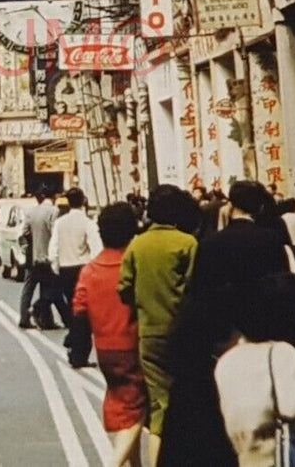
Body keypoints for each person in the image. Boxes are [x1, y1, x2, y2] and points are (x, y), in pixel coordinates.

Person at [158, 180, 289, 467]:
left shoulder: (211, 244)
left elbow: (200, 292)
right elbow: (283, 288)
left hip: (221, 334)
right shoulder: (271, 241)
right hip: (263, 332)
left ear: (231, 206)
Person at [215, 273, 295, 467]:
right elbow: (293, 406)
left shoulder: (226, 360)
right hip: (277, 457)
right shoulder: (281, 352)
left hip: (246, 457)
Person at [118, 184, 198, 458]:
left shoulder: (137, 245)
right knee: (186, 400)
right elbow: (195, 287)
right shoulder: (187, 243)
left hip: (149, 334)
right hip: (183, 333)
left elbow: (124, 288)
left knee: (159, 404)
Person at [74, 203, 149, 467]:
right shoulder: (134, 265)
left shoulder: (90, 269)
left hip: (104, 349)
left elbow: (79, 309)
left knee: (123, 406)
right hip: (132, 344)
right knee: (138, 410)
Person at [49, 188, 102, 367]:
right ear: (83, 201)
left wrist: (56, 267)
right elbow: (96, 248)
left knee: (73, 308)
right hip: (82, 268)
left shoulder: (60, 223)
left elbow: (53, 248)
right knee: (85, 312)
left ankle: (73, 341)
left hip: (65, 269)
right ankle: (79, 351)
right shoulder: (87, 223)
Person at [19, 188, 67, 330]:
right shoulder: (53, 211)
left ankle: (24, 317)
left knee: (28, 289)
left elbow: (24, 232)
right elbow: (55, 233)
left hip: (33, 257)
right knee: (49, 288)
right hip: (48, 257)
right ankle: (44, 318)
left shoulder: (31, 212)